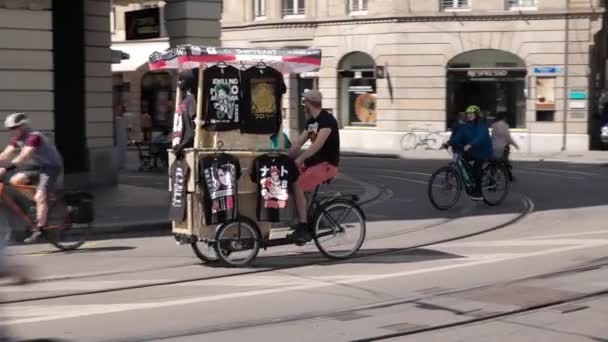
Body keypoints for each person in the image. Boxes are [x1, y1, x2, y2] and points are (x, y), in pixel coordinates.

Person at [0, 113, 64, 243]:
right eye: (9, 129)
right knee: (15, 180)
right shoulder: (17, 138)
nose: (11, 131)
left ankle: (40, 229)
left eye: (14, 128)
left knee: (40, 195)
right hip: (37, 167)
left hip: (51, 167)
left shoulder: (34, 137)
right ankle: (39, 202)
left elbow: (24, 156)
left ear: (23, 126)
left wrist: (5, 169)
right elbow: (5, 155)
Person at [288, 90, 340, 242]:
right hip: (315, 164)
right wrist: (286, 158)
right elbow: (298, 143)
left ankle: (303, 226)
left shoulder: (327, 120)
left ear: (309, 103)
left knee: (298, 185)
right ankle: (308, 217)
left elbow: (317, 144)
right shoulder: (312, 122)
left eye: (305, 102)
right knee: (292, 177)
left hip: (327, 165)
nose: (304, 105)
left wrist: (300, 159)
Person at [444, 105, 493, 201]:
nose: (469, 116)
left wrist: (470, 144)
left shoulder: (482, 125)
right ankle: (471, 181)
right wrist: (447, 143)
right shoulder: (466, 126)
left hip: (483, 151)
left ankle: (478, 192)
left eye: (472, 114)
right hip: (472, 151)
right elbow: (458, 136)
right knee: (462, 160)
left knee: (476, 169)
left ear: (477, 115)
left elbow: (480, 137)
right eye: (468, 114)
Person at [491, 112, 518, 181]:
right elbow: (508, 138)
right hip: (503, 147)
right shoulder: (505, 125)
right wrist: (515, 144)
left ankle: (492, 178)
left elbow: (492, 137)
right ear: (503, 118)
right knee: (504, 161)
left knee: (494, 163)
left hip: (494, 147)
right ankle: (509, 176)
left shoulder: (493, 125)